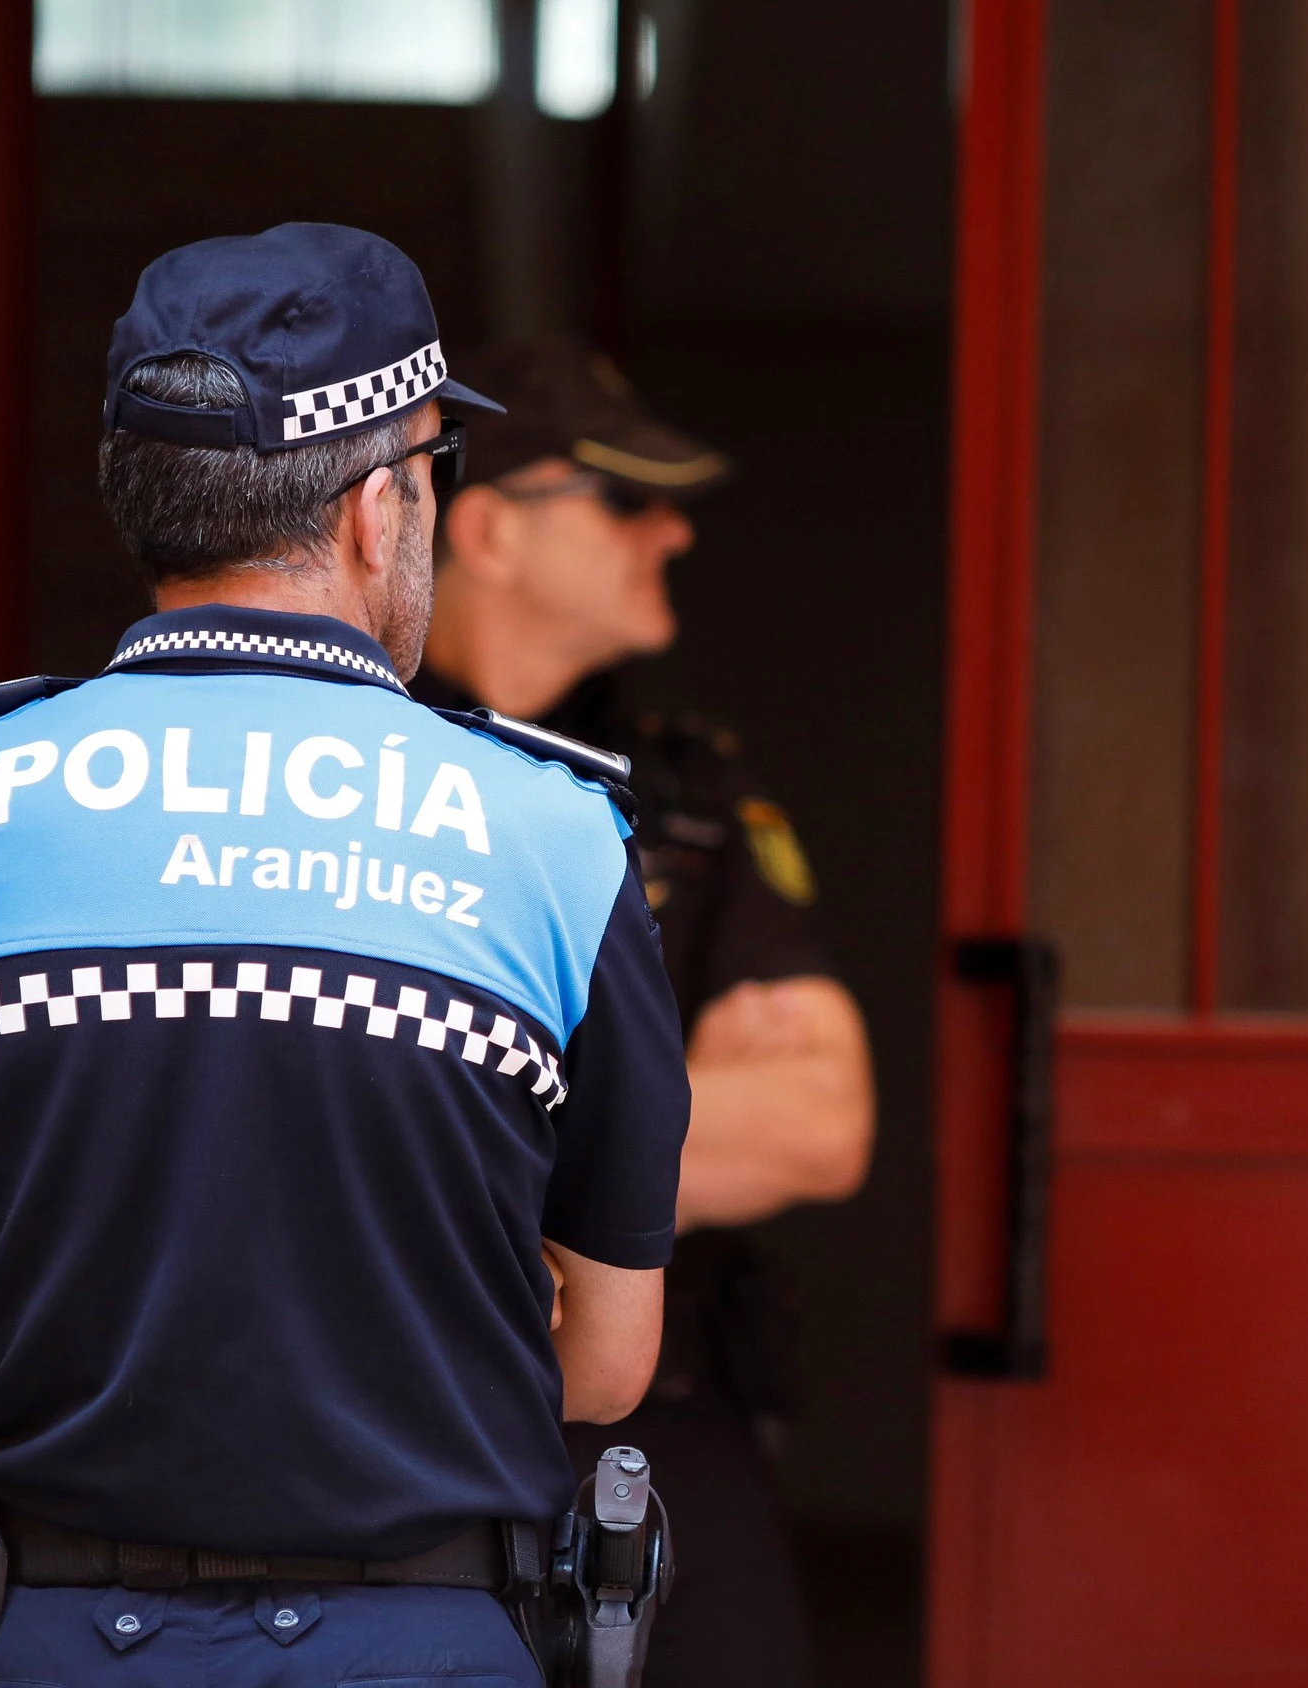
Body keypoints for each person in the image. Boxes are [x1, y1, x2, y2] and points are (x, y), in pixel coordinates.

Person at [0, 225, 689, 1678]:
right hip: (415, 1643)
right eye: (429, 473)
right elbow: (600, 1362)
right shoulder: (558, 836)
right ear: (373, 510)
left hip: (16, 1636)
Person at [408, 335, 873, 1688]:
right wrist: (644, 1102)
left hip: (655, 1427)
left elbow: (818, 1124)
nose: (669, 529)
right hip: (393, 1398)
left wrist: (435, 1115)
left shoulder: (678, 793)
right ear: (485, 527)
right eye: (622, 499)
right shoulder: (337, 777)